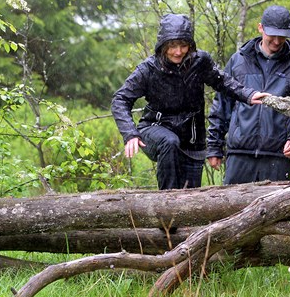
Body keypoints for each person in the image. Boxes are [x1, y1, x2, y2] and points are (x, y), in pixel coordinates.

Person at [111, 13, 266, 190]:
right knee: (169, 142)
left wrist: (247, 94)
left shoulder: (200, 62)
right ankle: (166, 204)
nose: (178, 52)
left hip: (192, 138)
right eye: (172, 46)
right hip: (154, 129)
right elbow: (120, 99)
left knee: (190, 195)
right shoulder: (148, 69)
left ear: (190, 45)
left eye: (183, 46)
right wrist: (130, 133)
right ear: (163, 46)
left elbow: (222, 81)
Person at [207, 5, 290, 184]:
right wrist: (214, 146)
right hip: (239, 155)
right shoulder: (238, 61)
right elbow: (222, 105)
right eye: (272, 35)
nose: (277, 41)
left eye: (282, 36)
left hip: (278, 157)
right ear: (260, 28)